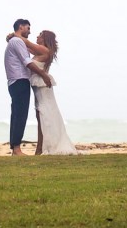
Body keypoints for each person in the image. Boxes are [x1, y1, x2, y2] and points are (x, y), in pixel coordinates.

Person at [24, 30, 78, 155]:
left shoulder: (44, 50)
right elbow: (26, 47)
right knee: (42, 115)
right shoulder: (41, 50)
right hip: (40, 87)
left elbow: (26, 43)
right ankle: (41, 146)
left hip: (43, 88)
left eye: (40, 35)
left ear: (45, 39)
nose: (37, 36)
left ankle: (42, 147)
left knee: (44, 115)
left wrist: (14, 35)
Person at [4, 19, 51, 156]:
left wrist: (12, 36)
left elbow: (29, 50)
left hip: (15, 82)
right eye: (28, 28)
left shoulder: (16, 41)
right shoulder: (17, 41)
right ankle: (17, 149)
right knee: (20, 115)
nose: (30, 31)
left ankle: (15, 148)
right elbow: (27, 62)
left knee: (16, 115)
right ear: (21, 27)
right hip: (20, 81)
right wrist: (44, 75)